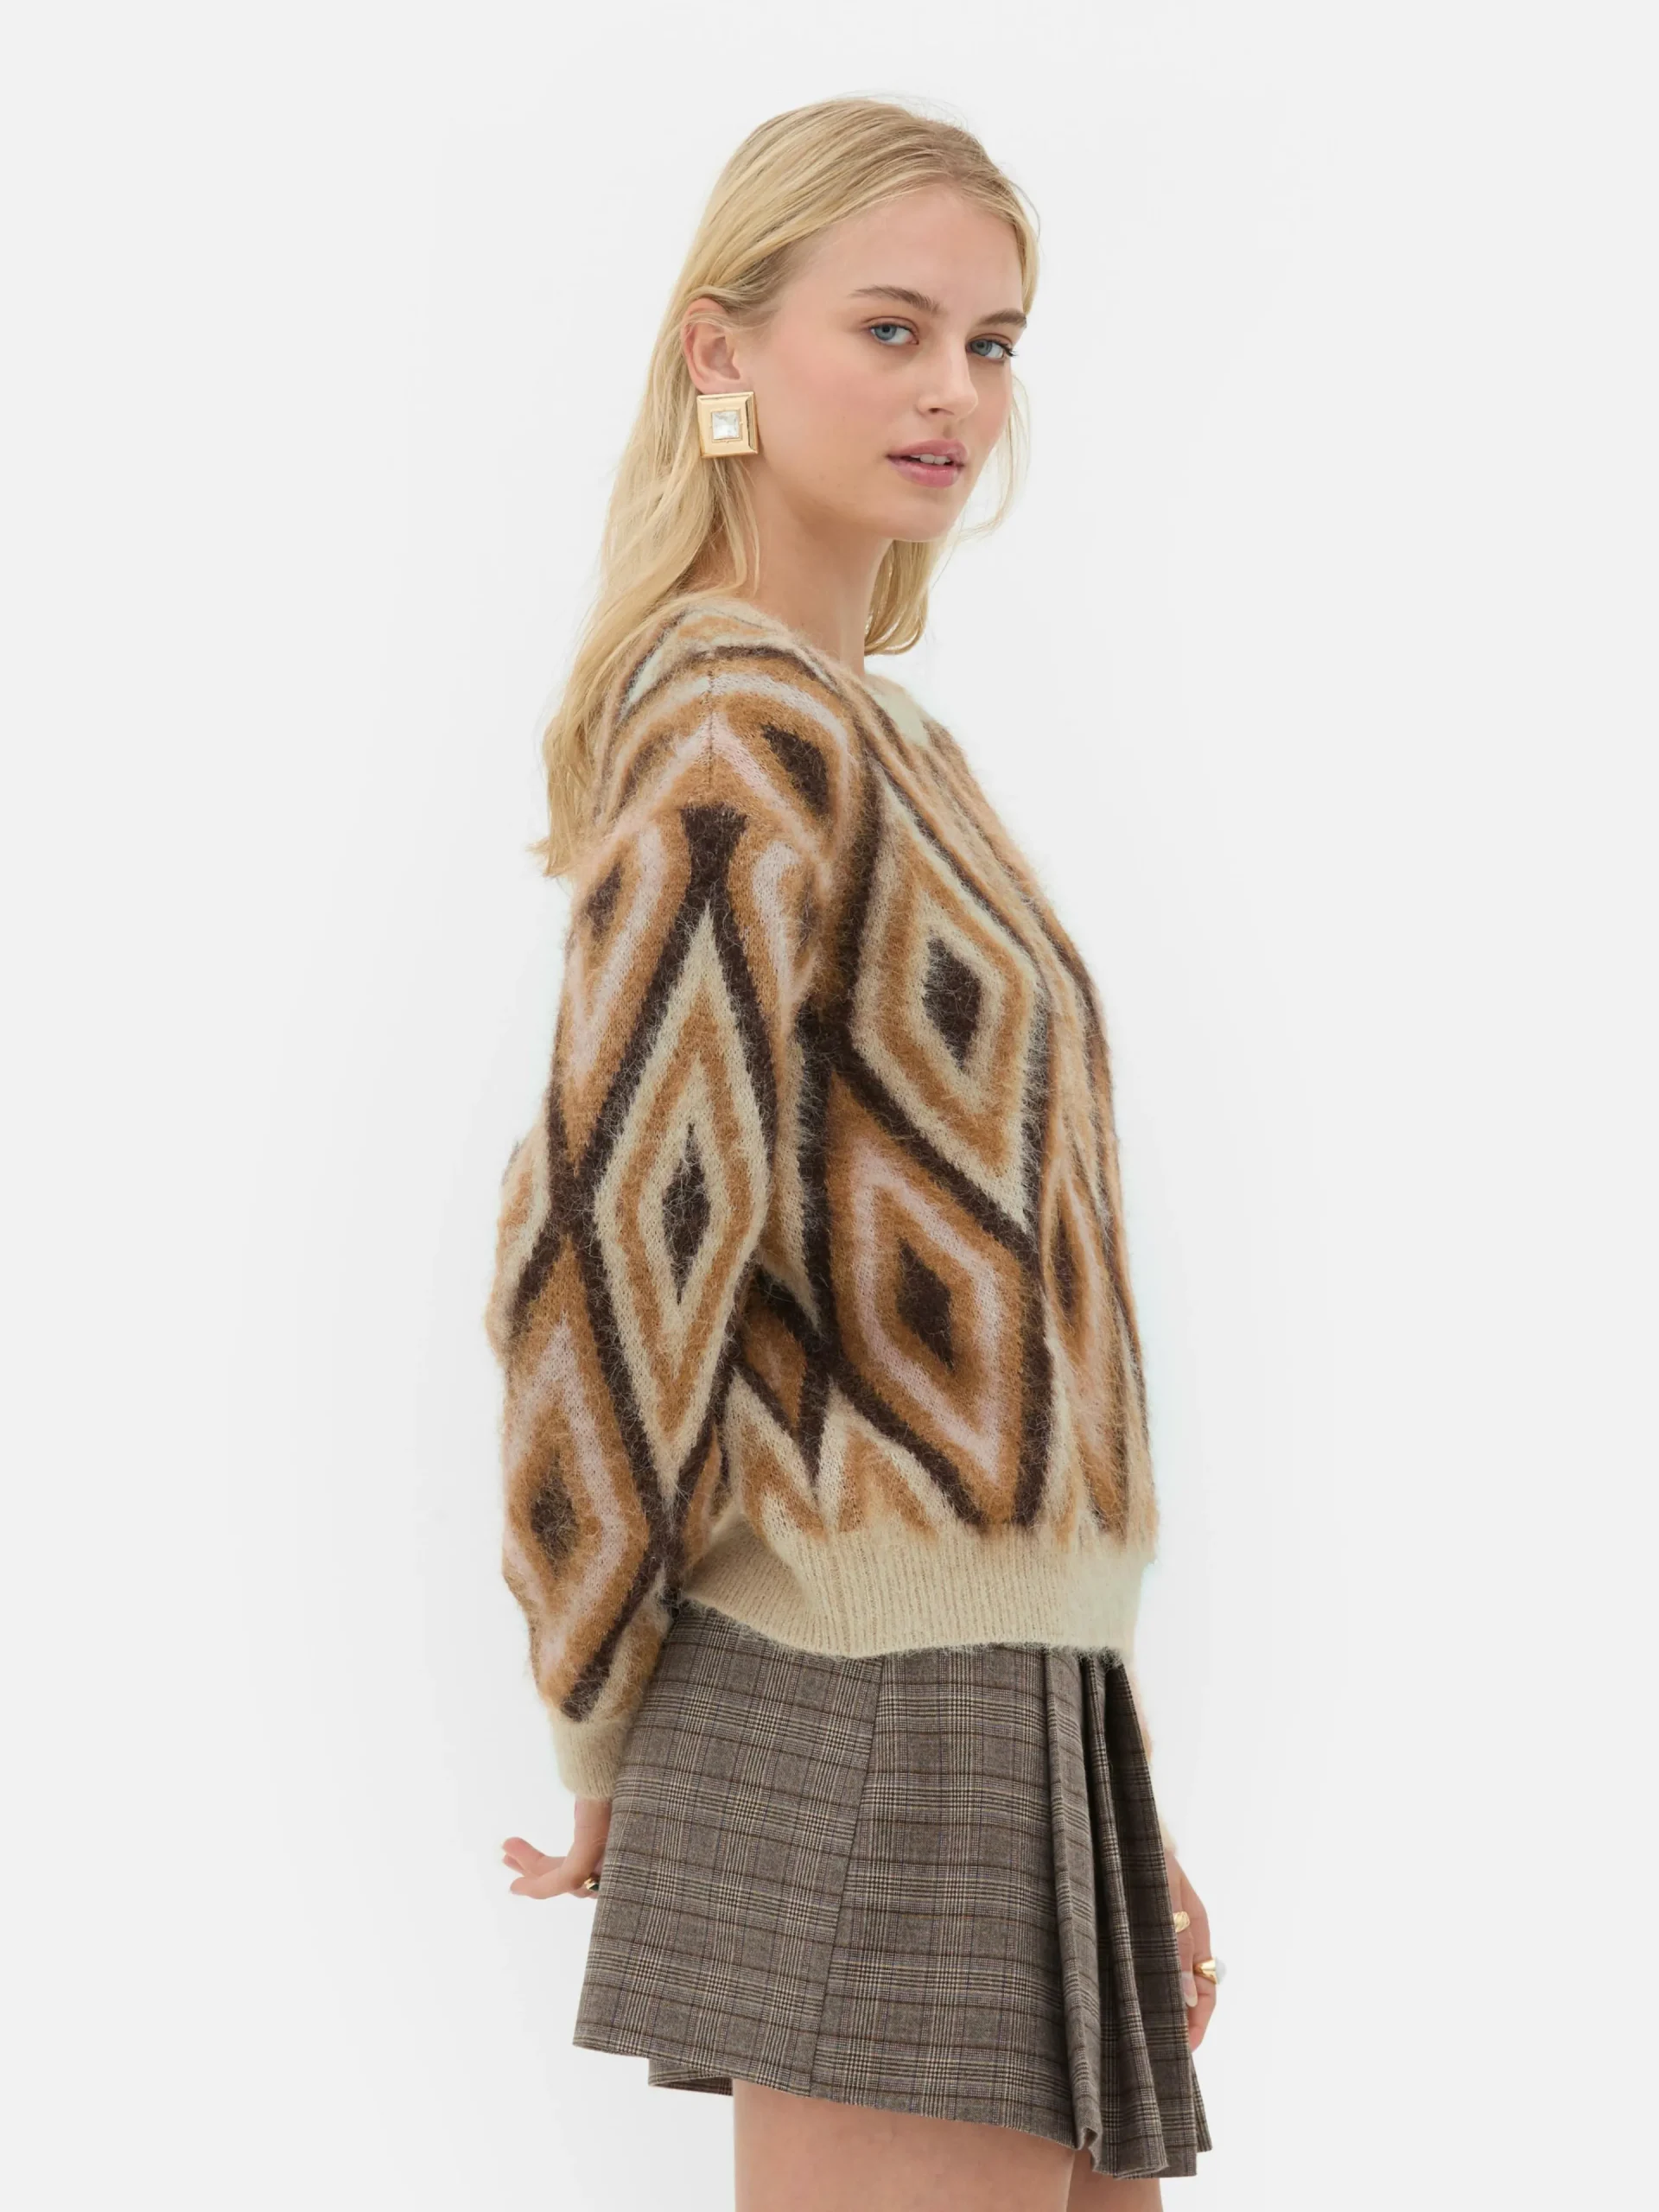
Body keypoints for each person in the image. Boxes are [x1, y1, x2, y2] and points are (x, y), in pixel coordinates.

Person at [486, 95, 1221, 2212]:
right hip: (856, 1699)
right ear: (721, 352)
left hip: (994, 1689)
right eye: (891, 328)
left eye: (991, 344)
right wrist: (600, 1701)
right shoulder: (734, 715)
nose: (952, 393)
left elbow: (990, 1299)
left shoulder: (892, 736)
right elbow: (618, 1238)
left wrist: (1101, 1739)